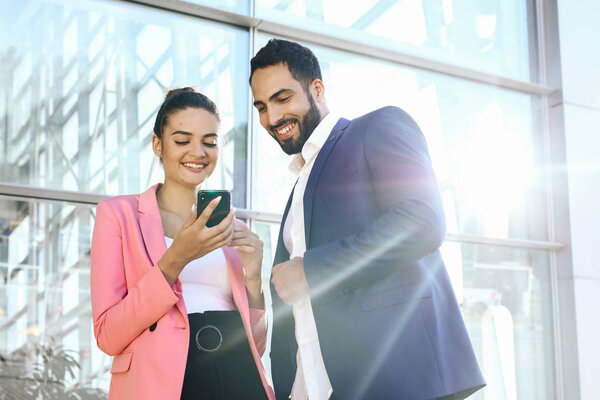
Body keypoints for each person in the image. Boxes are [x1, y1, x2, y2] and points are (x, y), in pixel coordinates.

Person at [249, 39, 486, 400]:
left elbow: (422, 220)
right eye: (262, 107)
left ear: (317, 89)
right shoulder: (298, 187)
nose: (272, 118)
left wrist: (310, 271)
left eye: (283, 99)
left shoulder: (377, 127)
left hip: (396, 382)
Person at [91, 87, 275, 399]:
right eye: (182, 140)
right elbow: (108, 336)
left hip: (238, 375)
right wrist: (176, 257)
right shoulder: (118, 216)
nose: (198, 152)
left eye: (210, 142)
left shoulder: (232, 227)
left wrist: (254, 279)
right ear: (157, 145)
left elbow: (256, 346)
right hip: (164, 382)